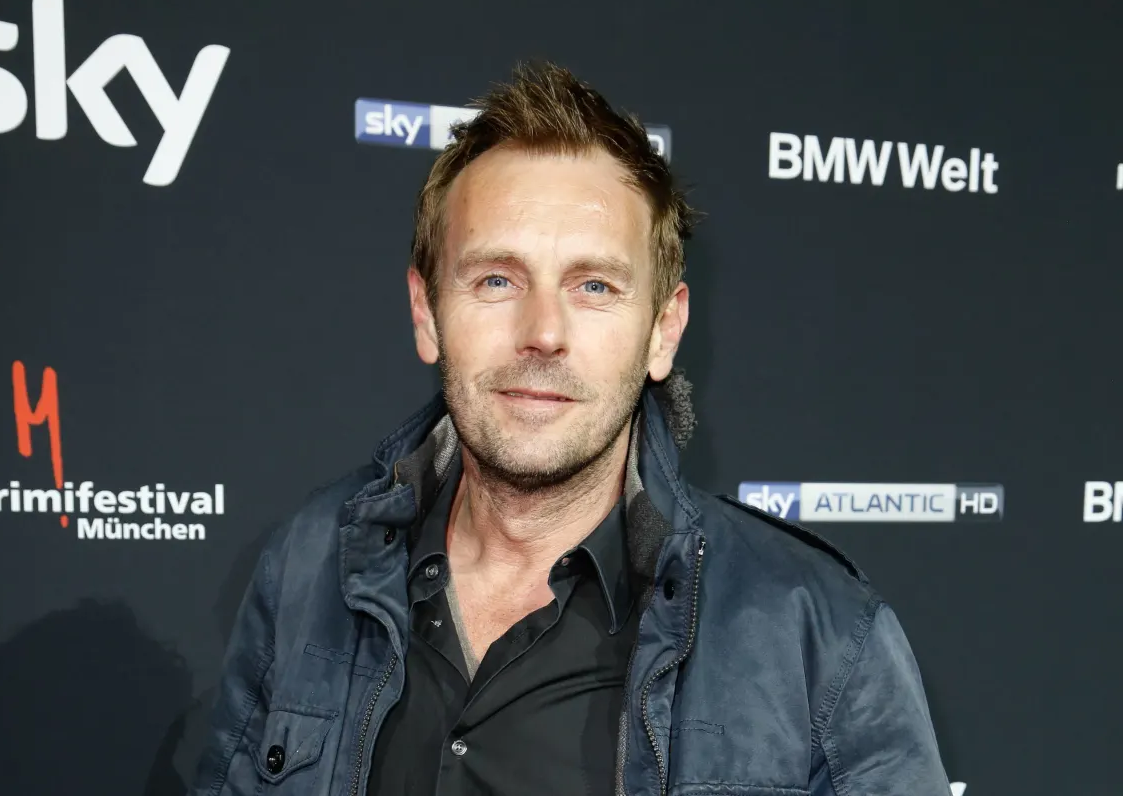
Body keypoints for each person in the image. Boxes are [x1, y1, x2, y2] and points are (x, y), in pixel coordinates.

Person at [189, 62, 952, 796]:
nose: (543, 333)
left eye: (594, 286)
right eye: (497, 279)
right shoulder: (309, 565)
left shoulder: (821, 637)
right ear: (426, 313)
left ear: (663, 332)